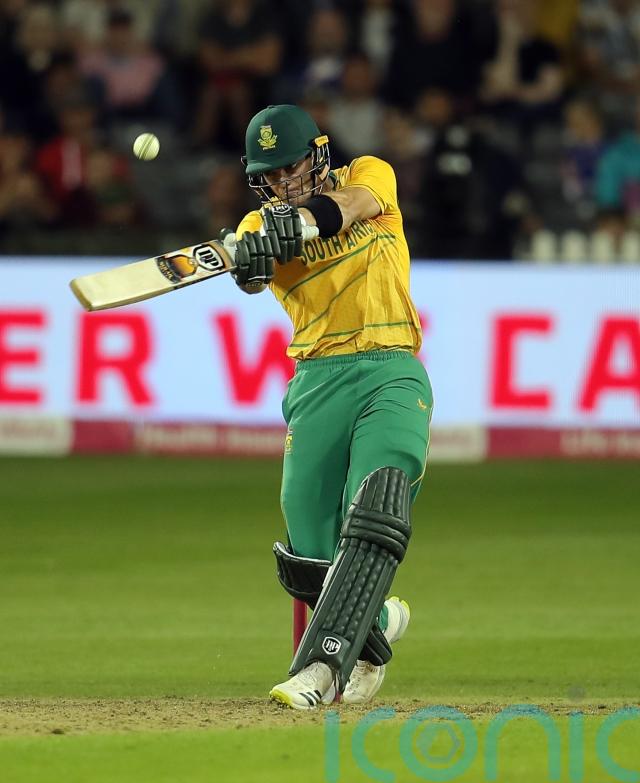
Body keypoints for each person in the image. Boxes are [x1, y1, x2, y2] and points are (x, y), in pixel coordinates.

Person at [228, 104, 433, 710]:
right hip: (317, 381)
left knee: (376, 503)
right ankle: (376, 629)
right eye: (271, 175)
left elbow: (352, 206)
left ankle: (319, 670)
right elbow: (252, 274)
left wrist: (304, 222)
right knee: (307, 552)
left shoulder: (370, 173)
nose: (283, 182)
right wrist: (250, 263)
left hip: (391, 368)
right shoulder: (255, 225)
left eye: (292, 168)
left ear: (317, 156)